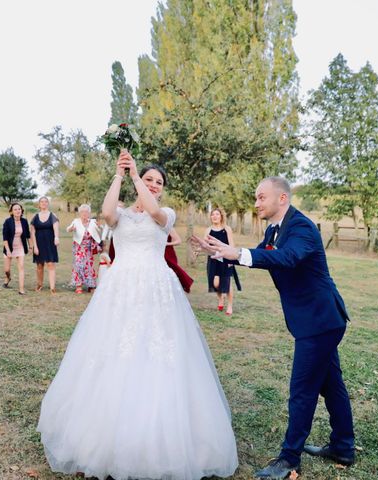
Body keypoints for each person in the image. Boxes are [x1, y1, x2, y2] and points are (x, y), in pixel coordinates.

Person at [37, 151, 238, 480]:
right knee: (114, 349)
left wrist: (136, 179)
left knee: (157, 352)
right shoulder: (120, 213)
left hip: (157, 288)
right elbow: (106, 213)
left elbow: (156, 212)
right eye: (149, 179)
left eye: (159, 182)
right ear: (139, 182)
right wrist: (120, 174)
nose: (155, 185)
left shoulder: (167, 213)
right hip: (120, 288)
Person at [193, 177, 354, 480]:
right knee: (331, 385)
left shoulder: (302, 228)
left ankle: (289, 459)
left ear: (282, 198)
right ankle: (343, 446)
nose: (256, 204)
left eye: (261, 197)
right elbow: (260, 255)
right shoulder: (273, 229)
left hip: (320, 321)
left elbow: (286, 258)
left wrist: (237, 253)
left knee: (302, 391)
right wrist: (219, 251)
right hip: (318, 321)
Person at [204, 208, 241, 315]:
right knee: (215, 283)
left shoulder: (227, 229)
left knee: (228, 283)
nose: (215, 216)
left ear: (221, 216)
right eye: (212, 215)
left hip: (226, 258)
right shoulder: (208, 230)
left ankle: (229, 306)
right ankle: (220, 298)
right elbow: (206, 245)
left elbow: (231, 244)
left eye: (217, 214)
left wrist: (232, 258)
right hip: (213, 259)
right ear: (211, 217)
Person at [66, 204, 102, 294]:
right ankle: (78, 285)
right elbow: (68, 229)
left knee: (89, 266)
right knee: (78, 264)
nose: (84, 213)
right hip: (79, 247)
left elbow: (101, 229)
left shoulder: (93, 222)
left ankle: (91, 285)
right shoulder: (76, 221)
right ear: (79, 213)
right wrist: (71, 229)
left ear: (89, 213)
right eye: (82, 212)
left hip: (89, 247)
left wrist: (100, 226)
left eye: (86, 212)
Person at [30, 196, 59, 294]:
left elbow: (56, 228)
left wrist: (56, 237)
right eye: (41, 202)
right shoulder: (35, 216)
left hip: (50, 243)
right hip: (39, 243)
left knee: (50, 264)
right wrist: (35, 246)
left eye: (45, 201)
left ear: (48, 203)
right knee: (39, 265)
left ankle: (52, 288)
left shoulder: (52, 215)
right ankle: (39, 285)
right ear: (39, 204)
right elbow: (32, 232)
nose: (43, 203)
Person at [2, 202, 31, 295]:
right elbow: (5, 239)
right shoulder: (7, 222)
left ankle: (21, 289)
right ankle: (8, 278)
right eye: (15, 209)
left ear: (21, 210)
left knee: (21, 267)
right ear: (11, 212)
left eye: (19, 209)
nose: (18, 211)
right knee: (7, 270)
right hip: (9, 247)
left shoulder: (24, 221)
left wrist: (31, 247)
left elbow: (28, 236)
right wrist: (8, 251)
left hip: (20, 247)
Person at [165, 227, 194, 293]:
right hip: (156, 252)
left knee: (173, 270)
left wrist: (167, 244)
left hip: (168, 253)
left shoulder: (168, 226)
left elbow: (178, 241)